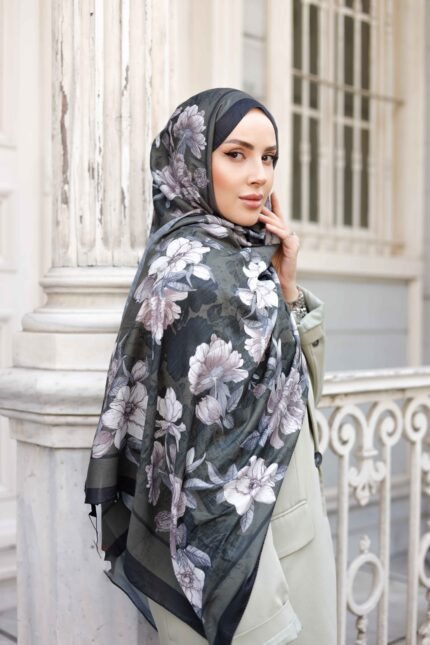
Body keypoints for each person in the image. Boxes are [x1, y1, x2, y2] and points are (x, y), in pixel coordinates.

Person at [84, 87, 337, 645]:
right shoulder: (192, 278)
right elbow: (199, 482)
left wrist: (287, 286)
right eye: (236, 154)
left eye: (268, 157)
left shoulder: (245, 266)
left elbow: (300, 406)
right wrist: (263, 618)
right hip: (251, 575)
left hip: (286, 532)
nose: (258, 176)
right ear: (192, 162)